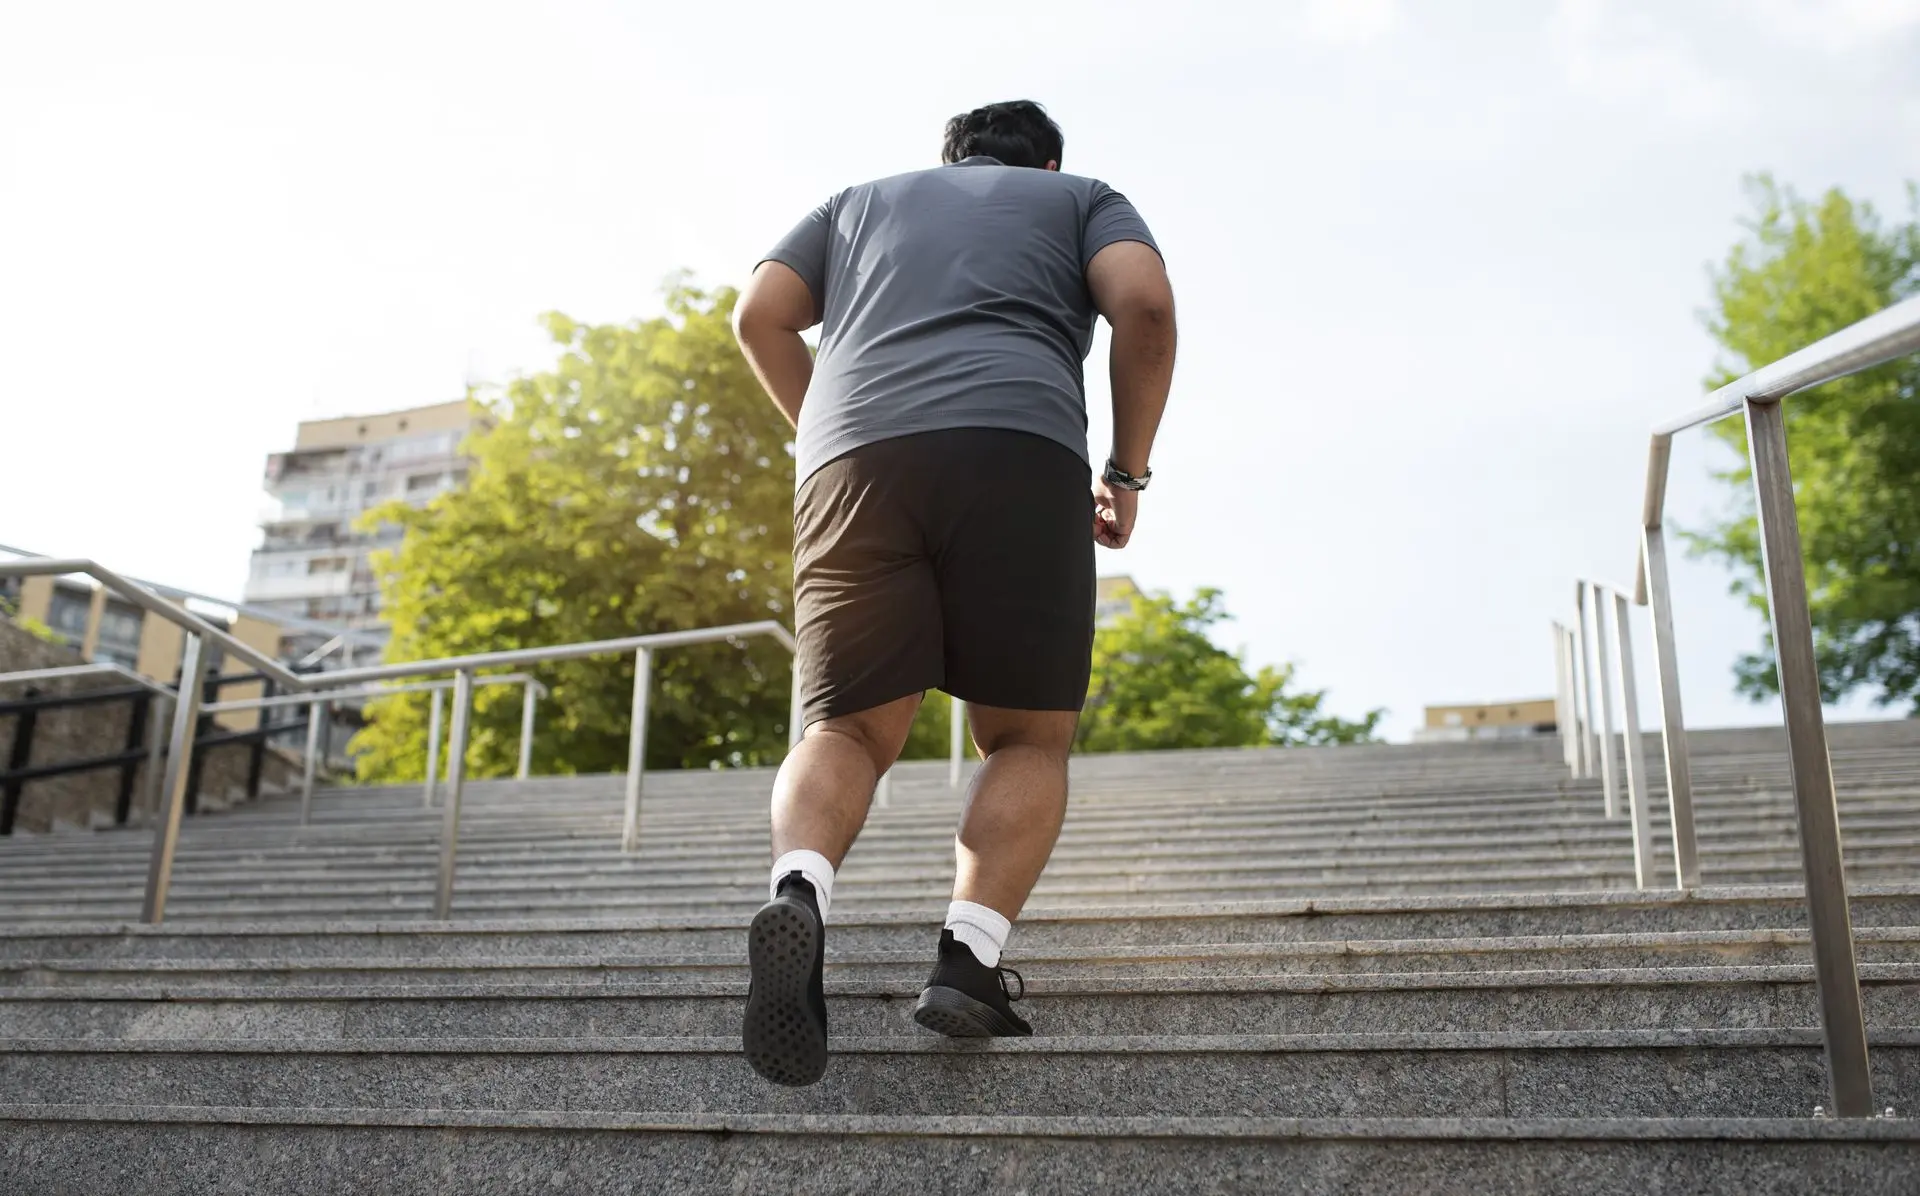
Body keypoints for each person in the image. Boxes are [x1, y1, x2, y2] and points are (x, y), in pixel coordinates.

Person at [730, 99, 1176, 1086]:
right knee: (1024, 734)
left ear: (948, 158)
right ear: (1048, 161)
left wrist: (829, 429)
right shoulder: (1079, 199)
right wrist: (1127, 472)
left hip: (855, 465)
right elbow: (1143, 303)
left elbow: (759, 314)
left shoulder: (855, 203)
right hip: (1018, 454)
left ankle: (798, 892)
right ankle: (967, 958)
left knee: (844, 730)